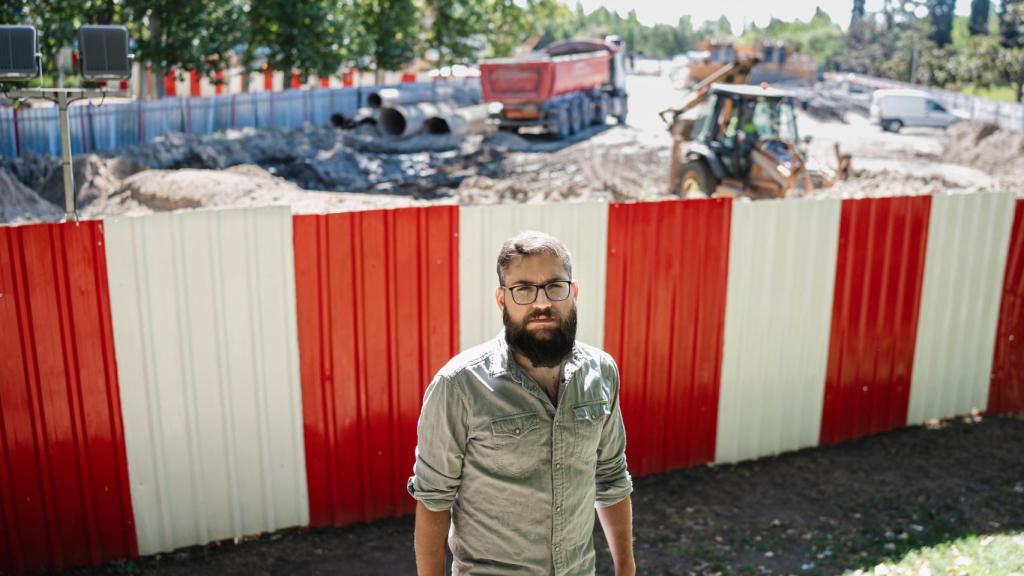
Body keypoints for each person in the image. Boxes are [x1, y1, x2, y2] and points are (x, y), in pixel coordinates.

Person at [407, 230, 635, 576]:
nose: (540, 303)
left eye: (554, 286)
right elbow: (433, 499)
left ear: (573, 292)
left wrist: (626, 569)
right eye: (523, 289)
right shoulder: (459, 386)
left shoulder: (601, 372)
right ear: (502, 300)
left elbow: (611, 476)